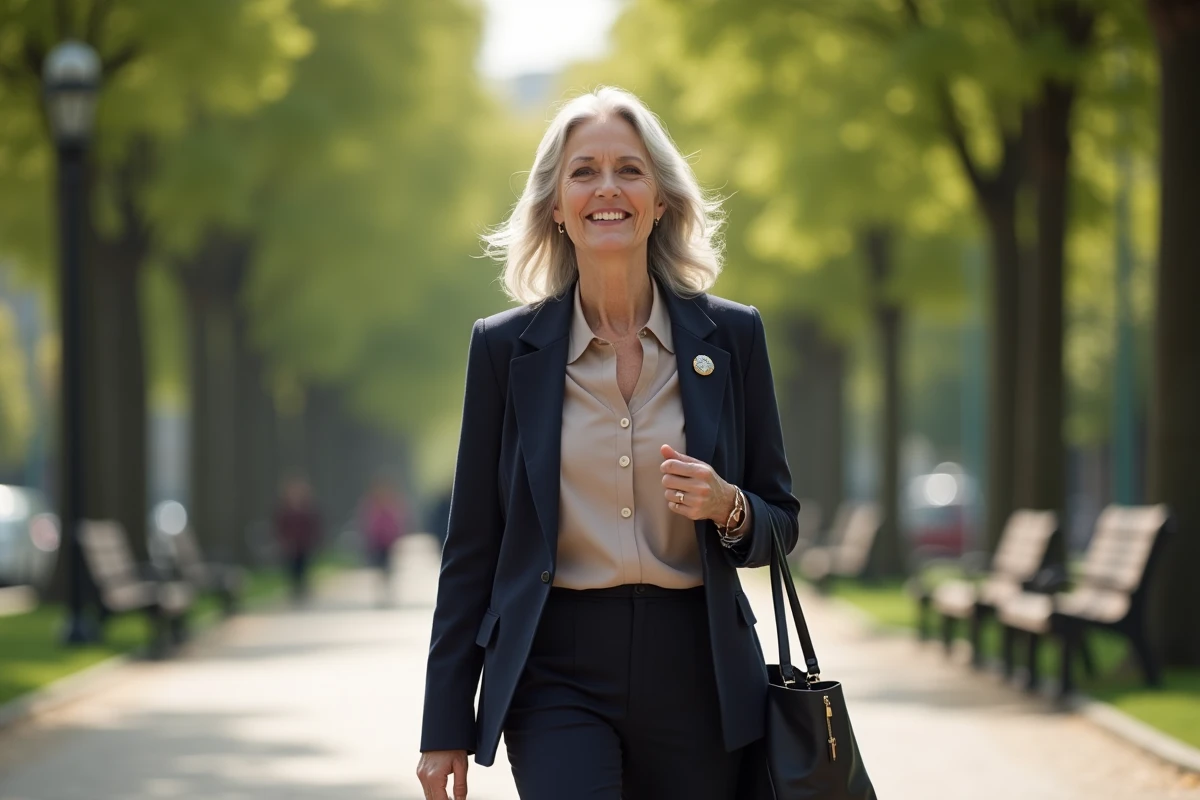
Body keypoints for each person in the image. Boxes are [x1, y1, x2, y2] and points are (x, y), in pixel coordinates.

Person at [416, 87, 800, 800]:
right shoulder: (503, 351)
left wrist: (728, 506)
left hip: (701, 672)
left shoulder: (734, 337)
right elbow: (471, 547)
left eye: (629, 169)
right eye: (583, 171)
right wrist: (444, 724)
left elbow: (781, 520)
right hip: (555, 671)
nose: (607, 188)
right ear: (555, 208)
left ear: (661, 201)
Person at [358, 476, 408, 606]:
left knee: (388, 568)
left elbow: (397, 523)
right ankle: (381, 592)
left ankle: (388, 591)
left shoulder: (392, 505)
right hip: (377, 544)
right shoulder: (372, 506)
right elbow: (368, 524)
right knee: (380, 568)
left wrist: (396, 537)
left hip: (389, 543)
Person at [273, 476, 322, 604]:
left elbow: (313, 525)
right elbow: (280, 526)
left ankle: (302, 587)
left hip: (304, 544)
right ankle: (295, 588)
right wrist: (283, 540)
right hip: (290, 545)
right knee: (291, 567)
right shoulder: (284, 510)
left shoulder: (307, 509)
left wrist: (314, 539)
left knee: (303, 566)